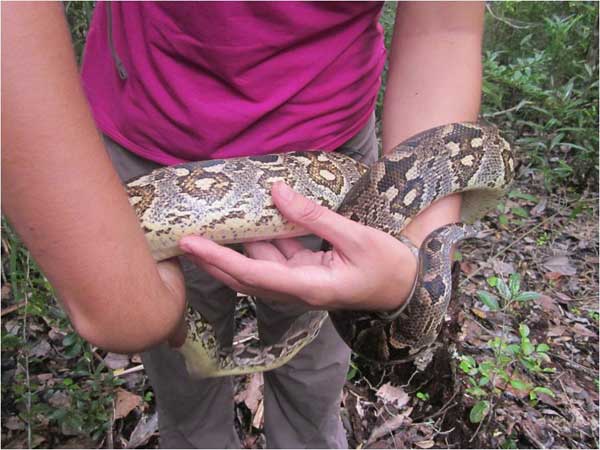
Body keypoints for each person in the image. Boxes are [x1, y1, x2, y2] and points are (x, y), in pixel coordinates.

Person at [3, 2, 484, 448]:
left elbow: (446, 27)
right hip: (149, 151)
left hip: (340, 170)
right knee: (189, 392)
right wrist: (107, 290)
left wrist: (413, 255)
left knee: (313, 388)